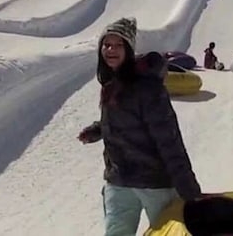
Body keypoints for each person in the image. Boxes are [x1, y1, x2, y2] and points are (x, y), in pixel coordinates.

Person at [77, 17, 203, 235]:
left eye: (118, 45)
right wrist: (98, 129)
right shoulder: (111, 83)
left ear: (128, 49)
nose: (111, 50)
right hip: (119, 180)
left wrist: (188, 187)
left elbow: (169, 139)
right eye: (107, 45)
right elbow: (122, 120)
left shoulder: (148, 88)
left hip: (154, 184)